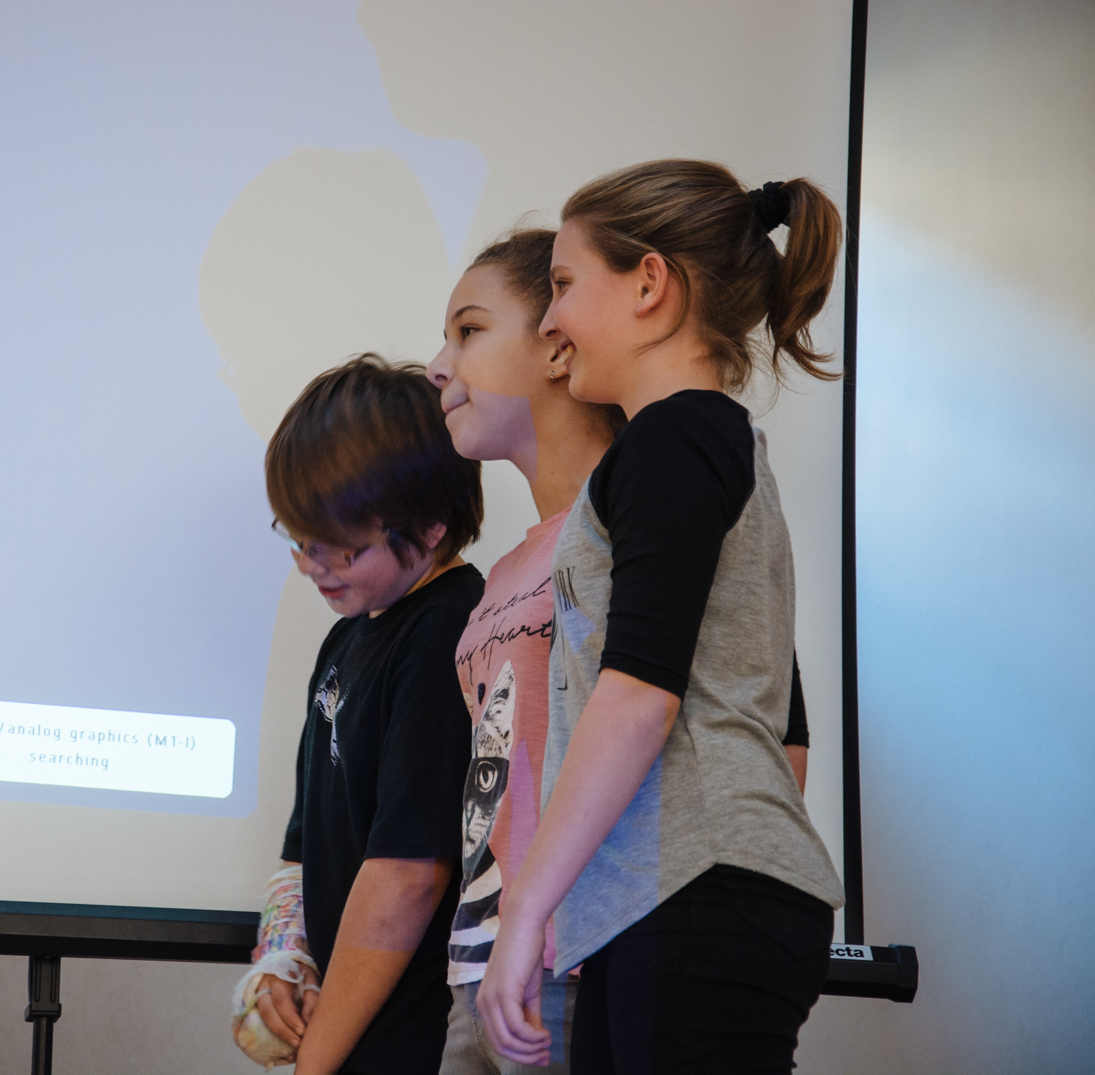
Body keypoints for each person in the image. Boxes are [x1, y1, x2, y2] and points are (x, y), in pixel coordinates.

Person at [475, 161, 845, 1075]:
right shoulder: (707, 443)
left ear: (650, 284)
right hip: (690, 894)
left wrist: (523, 910)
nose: (551, 321)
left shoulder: (674, 437)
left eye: (565, 284)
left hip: (694, 894)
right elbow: (785, 729)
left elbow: (640, 697)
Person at [246, 354, 487, 1075]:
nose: (311, 565)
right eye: (298, 539)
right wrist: (282, 957)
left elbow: (408, 877)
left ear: (431, 526)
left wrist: (316, 1063)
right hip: (350, 1029)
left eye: (340, 548)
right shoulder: (346, 638)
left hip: (414, 1038)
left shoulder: (449, 634)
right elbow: (302, 847)